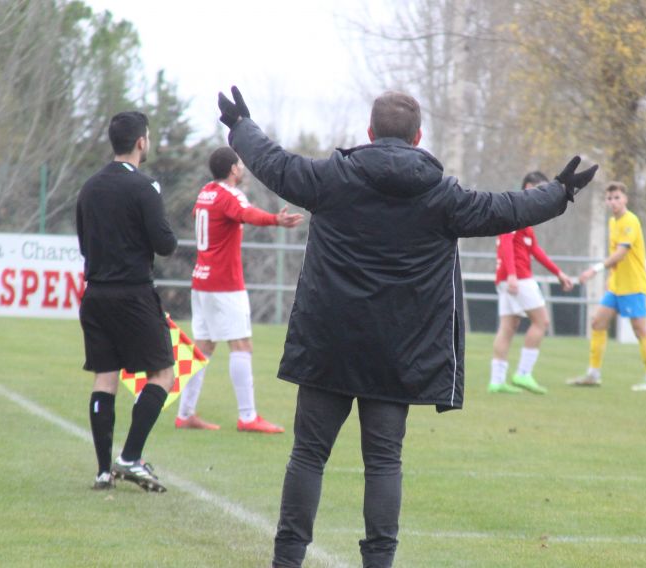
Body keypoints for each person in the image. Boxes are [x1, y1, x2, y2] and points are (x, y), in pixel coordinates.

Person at [217, 86, 597, 568]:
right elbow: (508, 209)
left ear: (370, 133)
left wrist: (240, 127)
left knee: (308, 455)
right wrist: (561, 191)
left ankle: (286, 560)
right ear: (418, 138)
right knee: (383, 464)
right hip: (398, 352)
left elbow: (275, 164)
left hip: (328, 342)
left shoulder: (332, 177)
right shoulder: (442, 195)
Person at [76, 111, 177, 492]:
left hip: (96, 294)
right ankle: (130, 458)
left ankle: (103, 472)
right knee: (162, 374)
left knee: (106, 377)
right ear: (141, 142)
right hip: (133, 294)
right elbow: (165, 244)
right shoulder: (144, 187)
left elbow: (84, 243)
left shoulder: (89, 187)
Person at [175, 147, 304, 433]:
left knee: (204, 346)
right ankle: (247, 417)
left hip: (201, 280)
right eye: (241, 164)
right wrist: (275, 220)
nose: (243, 168)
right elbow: (245, 213)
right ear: (233, 169)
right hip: (224, 283)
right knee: (242, 344)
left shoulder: (205, 192)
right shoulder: (229, 194)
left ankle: (185, 413)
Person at [488, 171, 574, 395]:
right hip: (518, 278)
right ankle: (523, 374)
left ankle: (496, 381)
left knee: (508, 326)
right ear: (528, 186)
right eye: (541, 189)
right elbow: (506, 240)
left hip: (507, 278)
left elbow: (534, 249)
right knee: (542, 322)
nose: (545, 196)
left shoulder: (526, 216)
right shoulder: (517, 208)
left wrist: (558, 273)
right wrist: (513, 275)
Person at [567, 182, 646, 391]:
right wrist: (610, 276)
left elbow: (621, 253)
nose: (613, 202)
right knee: (597, 322)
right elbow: (615, 257)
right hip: (616, 285)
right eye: (610, 198)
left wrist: (594, 270)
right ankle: (593, 374)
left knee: (640, 330)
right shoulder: (612, 222)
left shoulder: (630, 221)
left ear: (625, 199)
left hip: (634, 285)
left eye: (617, 197)